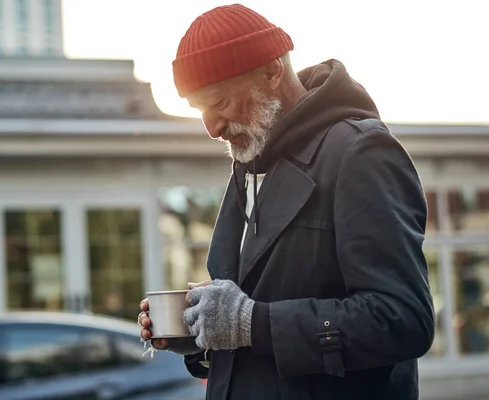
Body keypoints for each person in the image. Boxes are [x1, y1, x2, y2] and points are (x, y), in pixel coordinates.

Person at [138, 4, 435, 399]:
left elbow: (402, 320)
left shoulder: (360, 154)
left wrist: (251, 323)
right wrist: (203, 334)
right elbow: (257, 321)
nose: (211, 128)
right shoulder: (249, 166)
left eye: (219, 102)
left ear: (273, 72)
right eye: (200, 111)